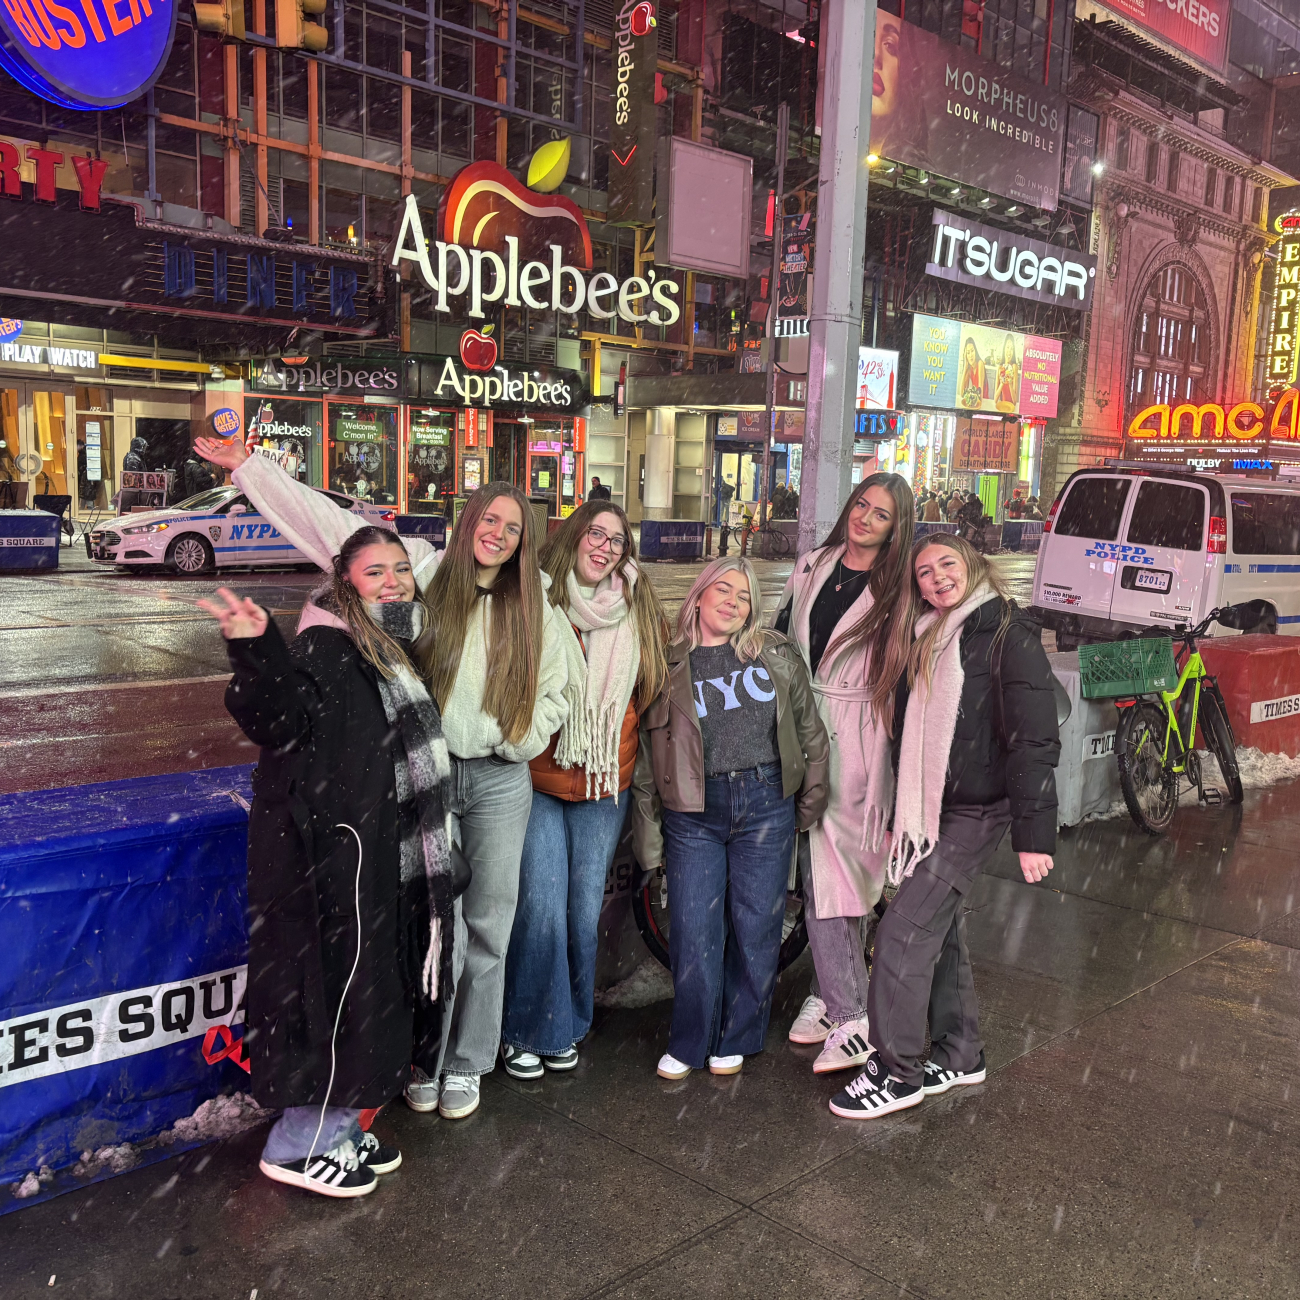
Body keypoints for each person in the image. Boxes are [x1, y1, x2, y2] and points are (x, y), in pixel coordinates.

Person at [194, 436, 570, 1123]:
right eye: (488, 519)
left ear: (525, 541)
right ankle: (426, 1053)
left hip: (497, 783)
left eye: (512, 528)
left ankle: (467, 1061)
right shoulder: (421, 573)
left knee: (488, 924)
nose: (497, 534)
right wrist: (252, 472)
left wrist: (517, 738)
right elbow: (330, 529)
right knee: (433, 924)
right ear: (468, 520)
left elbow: (558, 692)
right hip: (425, 776)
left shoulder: (536, 605)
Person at [198, 527, 462, 1197]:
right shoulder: (326, 645)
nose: (393, 581)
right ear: (345, 583)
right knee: (342, 1003)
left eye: (400, 569)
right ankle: (297, 1144)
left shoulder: (394, 653)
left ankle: (339, 1128)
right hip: (335, 868)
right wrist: (255, 647)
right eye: (375, 572)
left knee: (372, 1001)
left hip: (378, 862)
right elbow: (277, 718)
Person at [828, 534, 1060, 1118]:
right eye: (924, 572)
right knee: (938, 926)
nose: (936, 579)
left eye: (946, 565)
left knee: (903, 929)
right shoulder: (926, 635)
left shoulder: (1007, 632)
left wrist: (1034, 835)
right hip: (934, 811)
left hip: (979, 809)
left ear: (972, 565)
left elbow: (1033, 736)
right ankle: (960, 1052)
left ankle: (896, 1070)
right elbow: (909, 736)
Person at [632, 558, 830, 1079]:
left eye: (744, 596)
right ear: (698, 595)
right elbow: (649, 764)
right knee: (694, 927)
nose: (733, 602)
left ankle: (738, 1034)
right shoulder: (664, 664)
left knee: (756, 925)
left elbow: (811, 734)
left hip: (766, 800)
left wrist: (809, 800)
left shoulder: (776, 655)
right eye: (723, 589)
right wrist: (649, 843)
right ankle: (690, 1038)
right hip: (693, 812)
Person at [500, 501, 669, 1078]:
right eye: (594, 534)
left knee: (578, 913)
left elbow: (650, 691)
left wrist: (612, 742)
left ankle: (567, 1024)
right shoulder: (539, 600)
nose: (604, 546)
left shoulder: (637, 607)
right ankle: (525, 1028)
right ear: (573, 537)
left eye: (617, 541)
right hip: (538, 776)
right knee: (541, 907)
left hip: (603, 783)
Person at [773, 473, 916, 1073]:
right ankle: (831, 995)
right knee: (823, 872)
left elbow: (911, 671)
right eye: (862, 505)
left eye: (881, 515)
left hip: (859, 733)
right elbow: (781, 636)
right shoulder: (813, 565)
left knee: (838, 874)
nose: (865, 518)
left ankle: (850, 1015)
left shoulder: (898, 586)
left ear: (895, 529)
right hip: (801, 719)